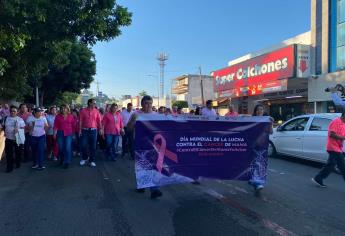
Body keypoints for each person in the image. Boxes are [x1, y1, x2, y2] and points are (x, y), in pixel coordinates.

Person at [127, 95, 163, 199]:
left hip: (152, 145)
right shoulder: (136, 114)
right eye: (146, 103)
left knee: (153, 167)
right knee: (142, 166)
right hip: (139, 144)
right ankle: (142, 185)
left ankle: (154, 189)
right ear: (142, 104)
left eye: (150, 103)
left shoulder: (156, 115)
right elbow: (129, 128)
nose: (148, 105)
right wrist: (133, 121)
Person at [312, 111, 345, 187]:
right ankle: (318, 178)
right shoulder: (336, 122)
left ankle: (318, 178)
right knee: (342, 165)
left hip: (338, 147)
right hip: (333, 147)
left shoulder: (344, 124)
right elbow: (332, 134)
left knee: (331, 165)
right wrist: (343, 137)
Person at [249, 104, 273, 193]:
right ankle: (256, 183)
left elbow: (270, 132)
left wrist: (271, 123)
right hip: (253, 146)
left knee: (260, 164)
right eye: (258, 110)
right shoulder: (251, 120)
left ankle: (255, 181)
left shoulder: (266, 120)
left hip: (262, 147)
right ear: (255, 111)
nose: (260, 111)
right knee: (255, 164)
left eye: (261, 109)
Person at [79, 98, 102, 167]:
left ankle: (92, 160)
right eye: (94, 103)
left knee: (93, 146)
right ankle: (84, 158)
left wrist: (100, 129)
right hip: (84, 130)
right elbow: (80, 121)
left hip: (93, 130)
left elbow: (99, 121)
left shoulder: (96, 111)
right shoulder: (83, 111)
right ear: (89, 103)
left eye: (95, 103)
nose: (95, 104)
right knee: (83, 145)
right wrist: (79, 130)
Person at [2, 106, 25, 172]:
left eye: (14, 111)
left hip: (17, 138)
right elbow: (3, 127)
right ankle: (9, 167)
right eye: (11, 111)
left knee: (18, 153)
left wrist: (18, 130)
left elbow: (23, 129)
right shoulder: (6, 118)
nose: (12, 112)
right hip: (9, 139)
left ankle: (18, 163)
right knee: (9, 153)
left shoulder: (20, 119)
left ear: (17, 112)